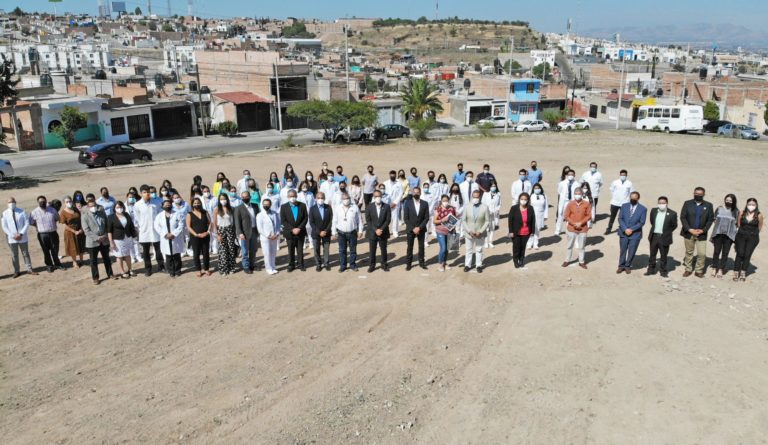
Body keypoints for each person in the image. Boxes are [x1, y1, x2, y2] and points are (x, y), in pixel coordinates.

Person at [680, 187, 715, 278]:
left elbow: (710, 219)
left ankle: (699, 270)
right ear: (693, 193)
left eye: (700, 194)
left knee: (702, 253)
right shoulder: (687, 203)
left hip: (701, 233)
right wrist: (689, 229)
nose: (698, 195)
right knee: (689, 252)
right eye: (696, 194)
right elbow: (683, 217)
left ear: (703, 194)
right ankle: (688, 269)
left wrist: (704, 230)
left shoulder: (708, 205)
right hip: (689, 232)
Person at [2, 197, 37, 278]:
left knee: (25, 254)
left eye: (12, 202)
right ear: (7, 204)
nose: (11, 203)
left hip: (22, 237)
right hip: (12, 238)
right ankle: (17, 271)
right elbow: (4, 226)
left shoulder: (22, 211)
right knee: (14, 255)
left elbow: (27, 223)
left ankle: (29, 269)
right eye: (9, 202)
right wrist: (12, 235)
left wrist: (20, 234)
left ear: (15, 202)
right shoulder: (4, 213)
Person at [134, 185, 164, 276]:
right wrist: (141, 227)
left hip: (156, 229)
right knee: (146, 251)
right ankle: (148, 269)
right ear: (141, 193)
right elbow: (137, 218)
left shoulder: (156, 202)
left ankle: (161, 266)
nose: (147, 194)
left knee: (158, 249)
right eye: (144, 192)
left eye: (148, 192)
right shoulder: (137, 205)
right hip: (144, 230)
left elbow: (160, 214)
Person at [82, 198, 114, 284]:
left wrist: (105, 235)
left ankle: (110, 274)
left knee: (107, 258)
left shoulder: (102, 213)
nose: (93, 207)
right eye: (91, 206)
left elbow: (107, 224)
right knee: (93, 261)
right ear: (88, 207)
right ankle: (95, 277)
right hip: (93, 242)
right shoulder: (85, 216)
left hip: (104, 240)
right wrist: (97, 237)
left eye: (94, 206)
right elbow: (86, 230)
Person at [29, 195, 64, 272]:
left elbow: (57, 218)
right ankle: (49, 266)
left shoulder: (52, 210)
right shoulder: (34, 212)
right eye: (41, 202)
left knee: (55, 250)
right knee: (46, 251)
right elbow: (31, 222)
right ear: (38, 202)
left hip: (53, 233)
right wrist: (38, 226)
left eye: (44, 201)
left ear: (46, 201)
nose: (42, 203)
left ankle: (57, 264)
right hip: (42, 234)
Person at [645, 196, 678, 278]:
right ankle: (651, 270)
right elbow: (652, 222)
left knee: (663, 256)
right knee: (652, 254)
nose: (661, 204)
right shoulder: (653, 211)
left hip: (664, 237)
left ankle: (663, 271)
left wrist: (666, 232)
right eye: (659, 203)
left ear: (667, 203)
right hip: (654, 236)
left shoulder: (672, 213)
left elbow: (674, 225)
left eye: (663, 203)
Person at [332, 192, 364, 272]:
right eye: (344, 199)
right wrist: (333, 232)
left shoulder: (355, 207)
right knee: (342, 250)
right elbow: (334, 221)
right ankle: (343, 265)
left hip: (352, 232)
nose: (346, 200)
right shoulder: (338, 208)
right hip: (341, 233)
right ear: (341, 200)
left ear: (350, 199)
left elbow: (360, 220)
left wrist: (360, 231)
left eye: (347, 198)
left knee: (353, 250)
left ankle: (352, 265)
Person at [617, 192, 647, 274]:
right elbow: (620, 218)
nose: (633, 199)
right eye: (631, 197)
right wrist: (625, 229)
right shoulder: (624, 206)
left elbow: (642, 222)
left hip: (635, 234)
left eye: (635, 198)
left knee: (632, 251)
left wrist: (631, 229)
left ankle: (628, 265)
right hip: (624, 232)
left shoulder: (643, 209)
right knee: (623, 250)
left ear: (638, 198)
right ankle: (621, 265)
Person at [733, 198, 763, 282]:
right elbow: (739, 224)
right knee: (740, 253)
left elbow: (759, 227)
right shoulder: (742, 213)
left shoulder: (759, 215)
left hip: (753, 237)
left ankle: (743, 272)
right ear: (746, 204)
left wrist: (752, 233)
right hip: (741, 236)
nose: (751, 206)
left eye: (753, 204)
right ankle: (736, 272)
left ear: (756, 205)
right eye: (749, 204)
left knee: (747, 254)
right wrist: (743, 232)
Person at [710, 194, 739, 278]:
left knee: (725, 253)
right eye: (727, 200)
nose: (728, 202)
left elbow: (737, 224)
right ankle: (714, 268)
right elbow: (714, 220)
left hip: (729, 236)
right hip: (718, 234)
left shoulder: (736, 211)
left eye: (730, 201)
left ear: (733, 201)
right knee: (716, 251)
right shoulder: (719, 208)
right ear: (724, 200)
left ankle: (721, 269)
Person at [461, 190, 491, 273]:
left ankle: (478, 265)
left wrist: (481, 231)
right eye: (474, 197)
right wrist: (469, 230)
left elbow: (487, 221)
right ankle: (467, 265)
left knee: (479, 250)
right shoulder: (467, 206)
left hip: (480, 233)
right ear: (471, 197)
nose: (475, 198)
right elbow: (463, 220)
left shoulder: (485, 207)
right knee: (469, 250)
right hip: (469, 233)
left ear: (480, 197)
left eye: (477, 197)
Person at [154, 200, 185, 277]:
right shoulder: (159, 216)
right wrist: (165, 234)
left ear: (171, 205)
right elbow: (156, 226)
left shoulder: (177, 214)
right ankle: (171, 271)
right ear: (162, 206)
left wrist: (174, 234)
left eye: (169, 204)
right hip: (165, 238)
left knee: (176, 255)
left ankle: (178, 270)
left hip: (175, 237)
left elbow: (181, 225)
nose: (167, 206)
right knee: (168, 255)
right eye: (166, 205)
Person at [280, 189, 308, 272]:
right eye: (291, 196)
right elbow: (283, 220)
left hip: (300, 231)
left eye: (294, 196)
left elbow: (305, 218)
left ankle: (300, 264)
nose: (293, 198)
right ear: (288, 197)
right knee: (290, 250)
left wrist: (299, 228)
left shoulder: (302, 205)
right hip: (289, 232)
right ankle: (291, 265)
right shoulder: (284, 207)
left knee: (300, 249)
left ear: (297, 196)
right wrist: (292, 229)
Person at [562, 188, 592, 269]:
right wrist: (573, 223)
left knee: (581, 246)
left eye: (579, 193)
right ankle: (567, 260)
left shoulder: (586, 204)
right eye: (576, 193)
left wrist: (581, 223)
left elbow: (589, 215)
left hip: (583, 229)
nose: (577, 195)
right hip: (571, 228)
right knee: (569, 245)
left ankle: (581, 261)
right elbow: (566, 215)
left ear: (582, 194)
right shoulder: (570, 204)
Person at [107, 201, 137, 279]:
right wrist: (111, 242)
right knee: (119, 256)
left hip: (127, 237)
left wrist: (134, 235)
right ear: (114, 208)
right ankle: (122, 271)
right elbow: (109, 231)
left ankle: (130, 269)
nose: (119, 209)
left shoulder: (126, 215)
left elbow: (131, 226)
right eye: (117, 207)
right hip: (117, 239)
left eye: (120, 207)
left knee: (127, 254)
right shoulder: (111, 217)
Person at [403, 186, 430, 270]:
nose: (416, 193)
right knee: (410, 247)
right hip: (411, 229)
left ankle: (422, 262)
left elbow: (426, 217)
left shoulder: (425, 203)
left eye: (417, 192)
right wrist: (413, 228)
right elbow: (406, 218)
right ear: (412, 193)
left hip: (421, 229)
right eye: (414, 192)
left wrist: (419, 228)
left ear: (420, 193)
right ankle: (408, 264)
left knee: (421, 247)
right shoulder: (407, 203)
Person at [366, 190, 392, 272]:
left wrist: (381, 229)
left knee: (383, 249)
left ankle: (384, 264)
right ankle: (372, 265)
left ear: (382, 197)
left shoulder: (387, 206)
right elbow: (368, 220)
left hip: (383, 232)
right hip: (372, 232)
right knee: (372, 250)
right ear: (373, 197)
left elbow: (388, 220)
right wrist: (375, 230)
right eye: (376, 196)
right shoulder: (369, 207)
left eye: (379, 196)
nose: (378, 198)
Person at [508, 192, 536, 268]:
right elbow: (510, 220)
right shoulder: (514, 208)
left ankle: (521, 260)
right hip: (516, 232)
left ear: (528, 200)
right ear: (519, 199)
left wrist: (532, 231)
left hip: (526, 232)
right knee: (516, 247)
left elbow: (533, 220)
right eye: (522, 199)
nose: (523, 200)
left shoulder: (530, 208)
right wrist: (510, 231)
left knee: (523, 247)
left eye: (525, 199)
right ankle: (515, 261)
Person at [235, 192, 261, 274]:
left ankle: (252, 265)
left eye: (246, 196)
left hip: (254, 231)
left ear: (250, 197)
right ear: (241, 198)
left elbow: (259, 218)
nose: (245, 198)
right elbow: (237, 222)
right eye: (243, 197)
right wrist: (240, 233)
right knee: (245, 251)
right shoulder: (238, 208)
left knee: (253, 250)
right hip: (244, 233)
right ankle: (246, 266)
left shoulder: (255, 206)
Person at [186, 197, 212, 277]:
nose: (197, 204)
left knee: (206, 253)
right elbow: (188, 227)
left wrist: (207, 232)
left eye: (198, 203)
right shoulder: (189, 214)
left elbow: (210, 223)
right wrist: (196, 234)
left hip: (205, 236)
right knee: (196, 253)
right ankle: (198, 269)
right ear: (192, 204)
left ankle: (206, 269)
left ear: (200, 203)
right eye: (195, 203)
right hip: (195, 237)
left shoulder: (205, 212)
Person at [214, 194, 238, 276]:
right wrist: (217, 234)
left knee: (231, 249)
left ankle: (231, 267)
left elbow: (233, 221)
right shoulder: (216, 209)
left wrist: (234, 233)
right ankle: (223, 269)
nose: (223, 200)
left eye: (224, 199)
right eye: (221, 199)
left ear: (227, 199)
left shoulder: (231, 209)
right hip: (221, 230)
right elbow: (215, 223)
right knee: (223, 250)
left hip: (230, 230)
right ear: (219, 200)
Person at [309, 191, 333, 271]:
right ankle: (318, 264)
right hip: (316, 233)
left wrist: (326, 230)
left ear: (324, 198)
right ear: (316, 199)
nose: (320, 199)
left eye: (322, 198)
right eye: (319, 198)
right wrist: (319, 232)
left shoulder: (328, 208)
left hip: (326, 232)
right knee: (316, 249)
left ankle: (326, 263)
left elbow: (331, 220)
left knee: (326, 249)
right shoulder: (312, 209)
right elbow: (311, 222)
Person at [256, 198, 281, 275]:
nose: (266, 205)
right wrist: (268, 236)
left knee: (273, 252)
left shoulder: (275, 213)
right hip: (265, 237)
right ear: (262, 205)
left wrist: (277, 233)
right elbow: (260, 228)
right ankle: (268, 268)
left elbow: (278, 224)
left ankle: (273, 266)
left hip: (274, 236)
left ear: (270, 205)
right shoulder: (260, 215)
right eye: (265, 204)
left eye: (268, 204)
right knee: (267, 253)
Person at [59, 196, 85, 268]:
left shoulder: (76, 209)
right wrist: (74, 231)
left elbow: (81, 219)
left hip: (79, 230)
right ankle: (74, 262)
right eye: (67, 202)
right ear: (64, 203)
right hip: (70, 232)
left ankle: (82, 260)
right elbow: (64, 225)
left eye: (70, 201)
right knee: (72, 247)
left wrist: (81, 229)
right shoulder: (63, 212)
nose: (69, 203)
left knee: (81, 245)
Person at [606, 169, 634, 234]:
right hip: (614, 202)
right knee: (612, 216)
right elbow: (611, 190)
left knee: (622, 217)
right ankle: (609, 229)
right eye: (621, 175)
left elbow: (631, 192)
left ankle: (622, 229)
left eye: (624, 175)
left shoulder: (629, 183)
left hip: (624, 203)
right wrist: (615, 197)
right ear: (620, 175)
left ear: (626, 175)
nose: (623, 176)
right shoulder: (615, 182)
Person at [434, 195, 457, 272]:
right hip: (440, 231)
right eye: (443, 200)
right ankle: (440, 264)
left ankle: (445, 263)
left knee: (447, 249)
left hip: (449, 231)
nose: (445, 202)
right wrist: (442, 220)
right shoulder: (438, 209)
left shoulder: (452, 208)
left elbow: (454, 218)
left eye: (446, 200)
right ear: (441, 200)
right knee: (443, 248)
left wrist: (454, 228)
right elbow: (434, 221)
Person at [555, 170, 580, 235]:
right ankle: (558, 230)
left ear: (574, 175)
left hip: (572, 202)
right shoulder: (562, 183)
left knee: (571, 216)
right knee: (560, 216)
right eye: (569, 174)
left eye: (572, 174)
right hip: (564, 201)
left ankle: (568, 229)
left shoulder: (577, 184)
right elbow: (559, 191)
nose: (570, 176)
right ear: (567, 175)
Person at [527, 183, 549, 250]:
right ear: (533, 189)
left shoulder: (544, 196)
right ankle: (529, 244)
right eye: (535, 188)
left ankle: (535, 243)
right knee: (530, 229)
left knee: (537, 230)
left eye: (538, 188)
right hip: (532, 214)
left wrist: (545, 215)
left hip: (540, 215)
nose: (537, 189)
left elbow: (546, 206)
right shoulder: (531, 196)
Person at [482, 180, 501, 248]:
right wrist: (487, 211)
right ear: (489, 187)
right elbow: (483, 203)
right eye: (492, 186)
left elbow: (499, 204)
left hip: (494, 214)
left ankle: (490, 242)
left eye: (494, 186)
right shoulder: (485, 194)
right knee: (486, 228)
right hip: (487, 213)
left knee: (492, 228)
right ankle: (486, 242)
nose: (493, 187)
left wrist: (496, 210)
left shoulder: (498, 194)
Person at [383, 171, 403, 238]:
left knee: (395, 218)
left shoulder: (399, 184)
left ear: (395, 175)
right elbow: (383, 193)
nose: (392, 176)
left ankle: (395, 231)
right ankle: (385, 231)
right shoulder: (385, 183)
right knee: (385, 218)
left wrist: (395, 202)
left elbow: (400, 194)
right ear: (389, 175)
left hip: (395, 204)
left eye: (394, 175)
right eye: (391, 175)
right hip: (386, 204)